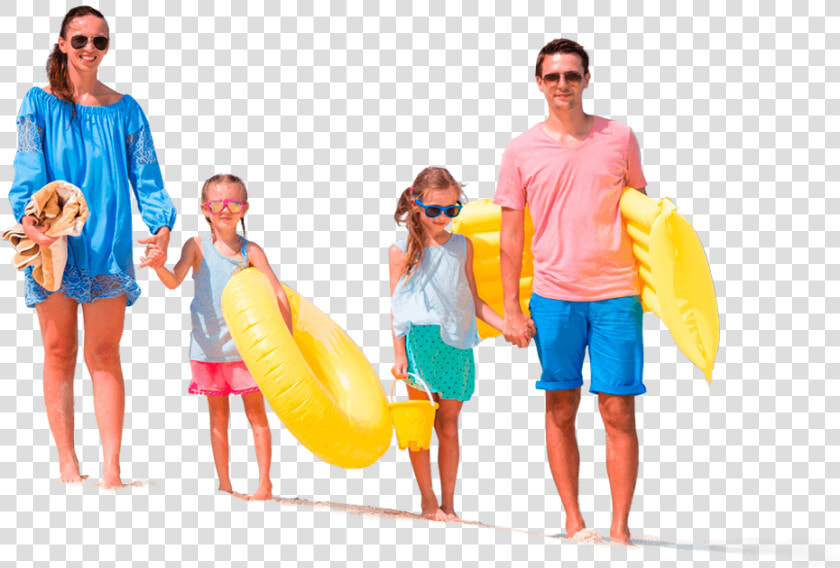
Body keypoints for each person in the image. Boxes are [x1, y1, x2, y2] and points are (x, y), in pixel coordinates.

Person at [8, 6, 176, 489]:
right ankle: (66, 462)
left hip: (108, 244)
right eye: (79, 40)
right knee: (59, 350)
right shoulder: (38, 103)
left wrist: (161, 225)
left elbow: (147, 178)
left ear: (107, 47)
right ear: (62, 43)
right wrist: (30, 219)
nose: (89, 49)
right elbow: (28, 164)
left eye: (98, 41)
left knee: (104, 353)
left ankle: (111, 468)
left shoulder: (126, 110)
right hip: (53, 241)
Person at [494, 38, 648, 544]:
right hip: (554, 294)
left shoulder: (619, 137)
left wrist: (662, 288)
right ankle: (574, 521)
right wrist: (512, 310)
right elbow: (511, 237)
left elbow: (642, 213)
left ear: (587, 79)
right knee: (561, 404)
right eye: (554, 76)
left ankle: (621, 530)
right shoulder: (520, 150)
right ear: (540, 83)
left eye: (572, 75)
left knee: (618, 407)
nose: (563, 84)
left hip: (616, 292)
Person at [142, 174, 292, 500]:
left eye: (233, 203)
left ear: (245, 209)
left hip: (245, 350)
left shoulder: (250, 250)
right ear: (204, 209)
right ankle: (224, 483)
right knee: (218, 418)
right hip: (207, 349)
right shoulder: (196, 246)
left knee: (256, 415)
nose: (225, 210)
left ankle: (264, 483)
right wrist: (157, 266)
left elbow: (278, 294)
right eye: (216, 204)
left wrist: (287, 342)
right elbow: (173, 281)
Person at [389, 167, 507, 521]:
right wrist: (398, 353)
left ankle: (449, 504)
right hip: (418, 343)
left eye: (452, 210)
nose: (443, 217)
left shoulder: (462, 246)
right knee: (422, 423)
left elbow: (474, 298)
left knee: (450, 425)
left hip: (456, 342)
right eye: (435, 209)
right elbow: (397, 306)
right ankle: (428, 501)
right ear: (416, 202)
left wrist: (507, 325)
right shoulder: (400, 249)